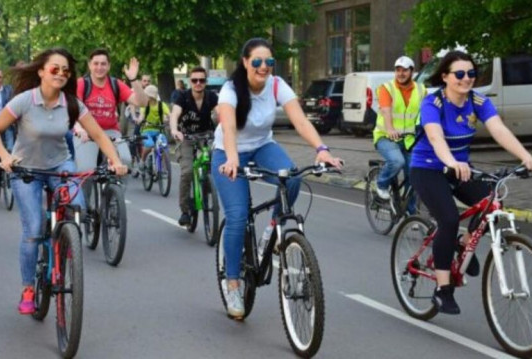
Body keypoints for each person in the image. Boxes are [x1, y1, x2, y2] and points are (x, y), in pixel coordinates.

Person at [0, 48, 128, 315]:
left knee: (77, 206)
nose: (61, 74)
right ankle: (28, 287)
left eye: (65, 70)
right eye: (54, 69)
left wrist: (115, 161)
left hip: (60, 165)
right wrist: (5, 156)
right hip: (25, 168)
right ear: (41, 72)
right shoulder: (24, 101)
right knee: (34, 229)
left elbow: (98, 134)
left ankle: (65, 248)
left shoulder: (72, 103)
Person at [213, 38, 341, 318]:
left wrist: (322, 150)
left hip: (262, 147)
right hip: (228, 153)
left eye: (268, 62)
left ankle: (274, 228)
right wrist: (233, 158)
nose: (263, 67)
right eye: (257, 62)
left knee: (292, 177)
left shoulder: (276, 84)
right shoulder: (231, 89)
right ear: (245, 62)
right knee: (236, 216)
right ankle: (232, 282)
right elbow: (229, 126)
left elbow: (300, 120)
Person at [410, 51, 532, 315]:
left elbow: (499, 129)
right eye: (459, 74)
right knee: (447, 219)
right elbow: (435, 138)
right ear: (445, 77)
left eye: (470, 73)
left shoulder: (477, 100)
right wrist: (450, 162)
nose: (466, 79)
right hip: (428, 167)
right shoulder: (432, 102)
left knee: (493, 199)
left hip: (460, 169)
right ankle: (442, 290)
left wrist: (526, 157)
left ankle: (464, 242)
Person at [73, 48, 148, 173]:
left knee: (125, 161)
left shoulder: (115, 84)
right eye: (96, 63)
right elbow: (74, 110)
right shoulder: (81, 84)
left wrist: (133, 80)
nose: (99, 67)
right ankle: (85, 191)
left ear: (109, 66)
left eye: (103, 64)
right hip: (86, 132)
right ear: (89, 65)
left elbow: (142, 102)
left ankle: (111, 191)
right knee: (85, 170)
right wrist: (79, 129)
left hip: (111, 132)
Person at [372, 56, 426, 214]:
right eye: (398, 70)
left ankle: (411, 211)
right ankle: (381, 184)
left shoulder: (421, 90)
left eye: (405, 70)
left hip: (409, 139)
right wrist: (390, 129)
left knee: (415, 174)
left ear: (412, 71)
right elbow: (386, 110)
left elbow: (426, 113)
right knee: (397, 161)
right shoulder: (387, 88)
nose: (401, 73)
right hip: (385, 136)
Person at [169, 67, 218, 226]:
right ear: (190, 81)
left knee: (213, 164)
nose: (198, 83)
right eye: (195, 80)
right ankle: (185, 210)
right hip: (186, 137)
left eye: (202, 80)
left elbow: (220, 114)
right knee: (187, 171)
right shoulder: (183, 96)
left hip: (206, 135)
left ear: (206, 82)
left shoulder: (211, 97)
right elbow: (175, 114)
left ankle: (207, 187)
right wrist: (174, 130)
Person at [137, 85, 170, 165]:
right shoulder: (145, 105)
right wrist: (140, 120)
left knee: (164, 145)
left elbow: (169, 115)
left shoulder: (162, 105)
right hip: (146, 130)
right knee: (149, 144)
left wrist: (169, 120)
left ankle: (159, 166)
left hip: (159, 131)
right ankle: (143, 160)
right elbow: (141, 116)